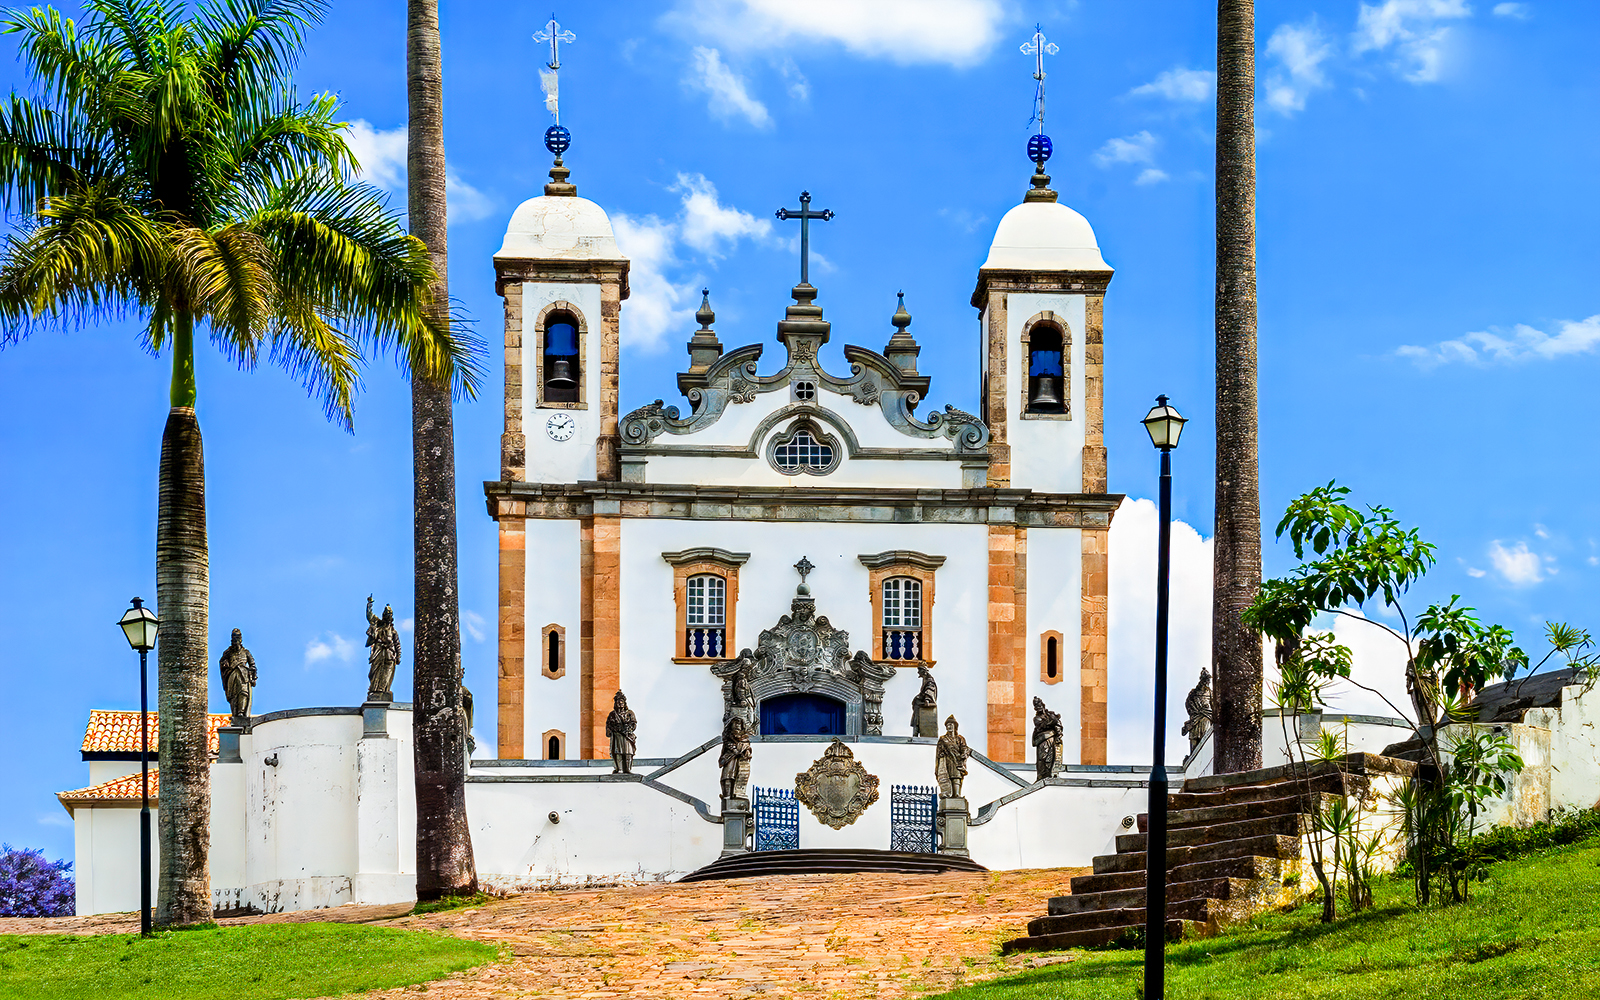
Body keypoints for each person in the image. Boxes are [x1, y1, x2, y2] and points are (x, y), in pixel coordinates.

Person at [365, 595, 402, 701]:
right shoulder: (378, 625)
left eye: (389, 615)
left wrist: (398, 656)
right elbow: (369, 616)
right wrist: (369, 604)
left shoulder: (393, 631)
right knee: (374, 672)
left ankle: (383, 691)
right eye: (386, 614)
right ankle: (374, 691)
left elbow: (397, 644)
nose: (387, 616)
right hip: (378, 652)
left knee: (386, 675)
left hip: (390, 655)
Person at [218, 628, 257, 722]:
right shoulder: (227, 652)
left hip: (243, 676)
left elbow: (253, 664)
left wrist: (252, 675)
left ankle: (241, 712)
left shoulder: (246, 652)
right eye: (234, 639)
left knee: (244, 693)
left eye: (237, 638)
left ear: (240, 639)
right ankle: (235, 713)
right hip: (232, 676)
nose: (235, 641)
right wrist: (226, 665)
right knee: (233, 696)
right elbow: (222, 662)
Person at [935, 715, 969, 799]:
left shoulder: (960, 738)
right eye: (947, 725)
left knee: (956, 776)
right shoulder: (943, 739)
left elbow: (964, 748)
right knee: (947, 777)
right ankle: (947, 793)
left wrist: (964, 753)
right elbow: (939, 751)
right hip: (947, 761)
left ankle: (956, 795)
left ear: (955, 726)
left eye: (951, 725)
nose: (949, 727)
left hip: (957, 761)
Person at [606, 690, 637, 774]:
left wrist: (628, 729)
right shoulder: (612, 714)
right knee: (618, 752)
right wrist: (614, 729)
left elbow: (634, 723)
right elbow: (608, 725)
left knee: (628, 752)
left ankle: (627, 769)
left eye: (621, 702)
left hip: (627, 736)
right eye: (618, 702)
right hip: (617, 736)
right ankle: (619, 768)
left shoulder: (630, 713)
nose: (620, 704)